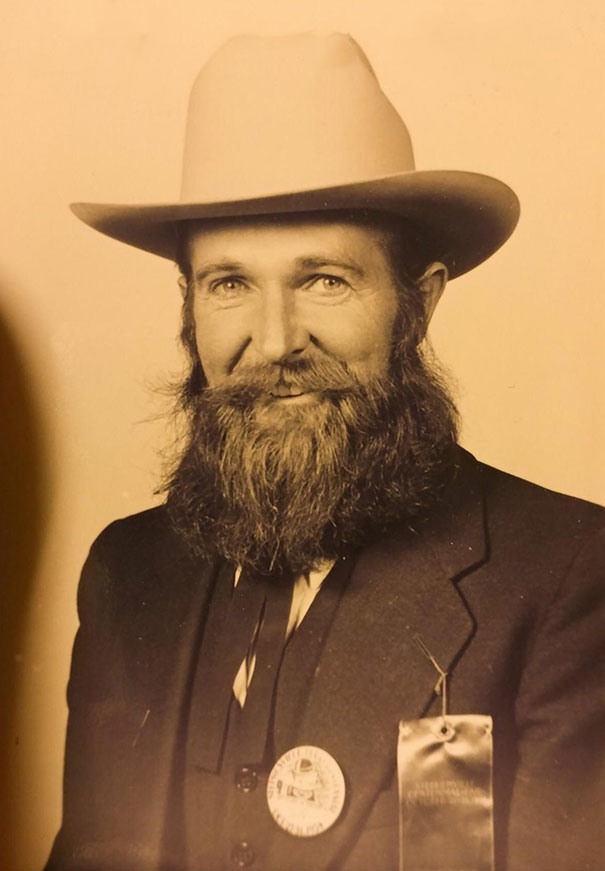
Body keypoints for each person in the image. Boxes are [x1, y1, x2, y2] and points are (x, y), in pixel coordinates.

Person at [45, 31, 604, 871]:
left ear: (417, 303)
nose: (274, 342)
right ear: (189, 304)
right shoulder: (127, 573)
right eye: (230, 283)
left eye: (324, 280)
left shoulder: (567, 573)